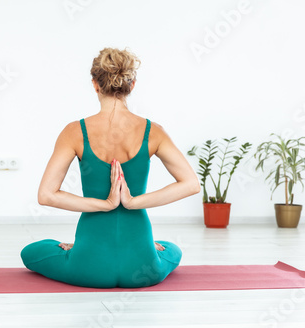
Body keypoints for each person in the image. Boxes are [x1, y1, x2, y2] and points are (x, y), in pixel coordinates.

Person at [20, 47, 200, 288]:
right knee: (172, 249)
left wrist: (105, 205)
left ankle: (82, 245)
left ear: (95, 84)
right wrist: (133, 202)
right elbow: (191, 184)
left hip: (88, 268)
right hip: (144, 268)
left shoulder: (75, 131)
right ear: (132, 85)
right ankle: (146, 244)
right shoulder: (153, 131)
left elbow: (46, 195)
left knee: (32, 251)